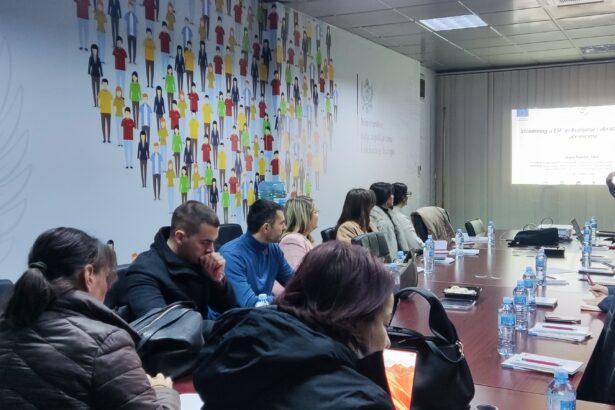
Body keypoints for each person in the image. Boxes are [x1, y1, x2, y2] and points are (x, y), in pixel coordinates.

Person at [193, 241, 395, 409]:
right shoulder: (364, 402)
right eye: (384, 325)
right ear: (354, 320)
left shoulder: (235, 352)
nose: (388, 342)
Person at [0, 227, 179, 409]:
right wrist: (163, 390)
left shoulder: (6, 327)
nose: (107, 288)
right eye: (106, 278)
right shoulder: (106, 343)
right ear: (89, 275)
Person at [112, 201, 237, 326]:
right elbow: (161, 327)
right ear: (180, 237)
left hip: (203, 333)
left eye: (213, 242)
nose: (211, 249)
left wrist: (218, 282)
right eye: (205, 242)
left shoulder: (200, 259)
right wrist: (216, 329)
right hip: (174, 336)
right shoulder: (143, 270)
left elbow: (230, 310)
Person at [220, 199, 293, 307]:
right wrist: (286, 299)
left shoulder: (274, 249)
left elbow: (294, 282)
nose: (285, 227)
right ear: (266, 228)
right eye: (281, 223)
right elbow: (249, 303)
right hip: (236, 316)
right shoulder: (231, 256)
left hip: (262, 313)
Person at [279, 196, 318, 269]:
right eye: (315, 212)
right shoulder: (292, 240)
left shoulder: (305, 238)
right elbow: (296, 273)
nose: (318, 215)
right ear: (303, 216)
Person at [369, 182, 400, 258]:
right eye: (390, 194)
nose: (393, 196)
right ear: (383, 196)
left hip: (397, 257)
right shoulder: (374, 216)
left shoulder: (389, 212)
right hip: (388, 261)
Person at [391, 182, 424, 252]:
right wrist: (428, 247)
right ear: (403, 197)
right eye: (407, 194)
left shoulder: (389, 214)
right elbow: (415, 244)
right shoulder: (401, 218)